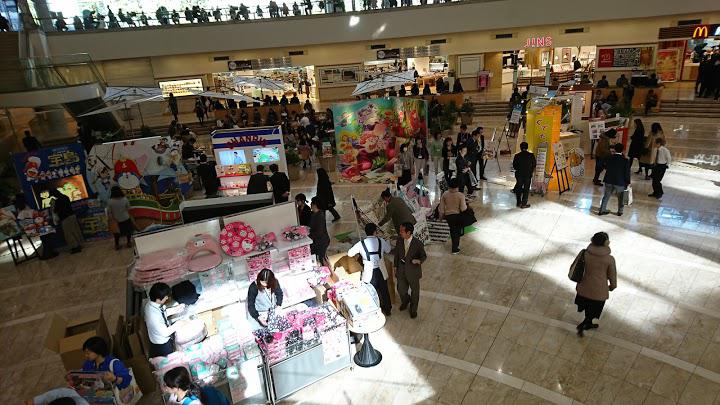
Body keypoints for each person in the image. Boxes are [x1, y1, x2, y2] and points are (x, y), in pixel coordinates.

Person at [574, 232, 617, 336]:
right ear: (606, 243)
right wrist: (612, 286)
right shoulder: (609, 259)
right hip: (599, 291)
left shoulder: (585, 253)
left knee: (587, 306)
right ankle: (584, 324)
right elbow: (612, 276)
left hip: (583, 287)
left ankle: (587, 323)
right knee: (594, 309)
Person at [348, 223, 392, 316]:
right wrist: (387, 240)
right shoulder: (381, 241)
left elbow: (350, 253)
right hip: (381, 270)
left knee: (371, 292)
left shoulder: (361, 243)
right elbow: (388, 250)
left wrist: (360, 252)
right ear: (375, 231)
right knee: (384, 290)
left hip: (368, 272)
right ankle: (388, 309)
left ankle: (374, 310)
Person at [393, 222, 426, 319]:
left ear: (409, 232)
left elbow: (424, 256)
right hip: (401, 270)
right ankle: (406, 300)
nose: (400, 233)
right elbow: (396, 255)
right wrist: (395, 267)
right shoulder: (399, 240)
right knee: (401, 289)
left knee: (415, 292)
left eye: (402, 231)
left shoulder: (418, 244)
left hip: (413, 271)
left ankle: (413, 309)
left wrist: (419, 261)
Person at [163, 366, 230, 405]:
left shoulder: (193, 403)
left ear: (176, 388)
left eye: (166, 385)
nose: (165, 386)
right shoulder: (173, 396)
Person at [598, 143, 630, 216]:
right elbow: (627, 173)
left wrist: (607, 169)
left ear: (614, 149)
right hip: (620, 181)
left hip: (608, 180)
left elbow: (602, 164)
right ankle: (620, 212)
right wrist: (627, 182)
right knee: (621, 197)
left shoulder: (609, 157)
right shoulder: (625, 160)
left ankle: (602, 210)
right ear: (623, 150)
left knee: (606, 196)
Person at [48, 188, 83, 253]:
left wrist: (52, 205)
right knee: (75, 231)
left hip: (65, 218)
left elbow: (56, 211)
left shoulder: (57, 201)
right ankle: (79, 245)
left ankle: (75, 248)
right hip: (72, 216)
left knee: (68, 234)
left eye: (53, 195)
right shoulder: (66, 197)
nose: (54, 196)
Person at [439, 178, 467, 254]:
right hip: (457, 216)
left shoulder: (445, 194)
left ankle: (455, 246)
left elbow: (441, 208)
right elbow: (463, 208)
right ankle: (455, 248)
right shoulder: (461, 195)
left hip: (449, 216)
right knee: (456, 232)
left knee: (452, 230)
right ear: (458, 186)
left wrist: (441, 217)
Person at [107, 186, 133, 250]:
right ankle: (129, 243)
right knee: (128, 231)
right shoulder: (125, 199)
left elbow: (109, 212)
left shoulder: (110, 201)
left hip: (116, 220)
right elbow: (129, 208)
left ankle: (117, 245)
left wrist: (111, 219)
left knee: (116, 233)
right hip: (125, 218)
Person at [512, 142, 536, 209]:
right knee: (526, 189)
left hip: (519, 175)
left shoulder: (517, 155)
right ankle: (524, 204)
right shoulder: (531, 155)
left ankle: (518, 203)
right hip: (528, 175)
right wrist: (530, 170)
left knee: (519, 188)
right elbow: (534, 164)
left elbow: (514, 166)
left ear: (520, 147)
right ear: (527, 147)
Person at [309, 196, 330, 264]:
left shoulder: (320, 216)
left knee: (321, 259)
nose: (310, 205)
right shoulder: (314, 214)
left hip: (321, 241)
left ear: (315, 205)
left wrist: (309, 235)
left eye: (311, 203)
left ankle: (327, 271)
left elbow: (319, 232)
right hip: (316, 241)